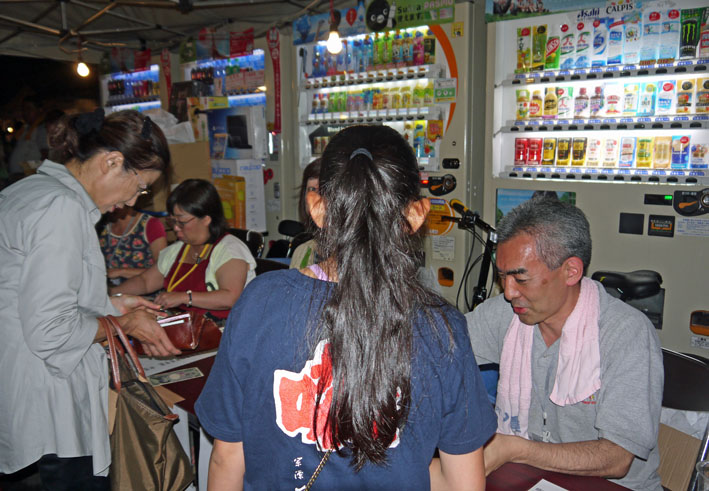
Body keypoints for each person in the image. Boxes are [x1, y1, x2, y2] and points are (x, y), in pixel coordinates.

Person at [195, 125, 496, 489]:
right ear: (417, 214)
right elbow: (463, 483)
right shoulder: (441, 324)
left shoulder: (260, 299)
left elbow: (228, 457)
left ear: (317, 208)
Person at [0, 109, 181, 489]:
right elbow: (51, 329)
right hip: (47, 410)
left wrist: (112, 304)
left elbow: (33, 298)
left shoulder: (29, 191)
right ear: (111, 162)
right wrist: (123, 324)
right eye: (140, 186)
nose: (133, 201)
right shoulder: (60, 208)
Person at [465, 196, 663, 490]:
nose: (508, 293)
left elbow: (617, 458)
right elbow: (439, 347)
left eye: (521, 278)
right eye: (502, 277)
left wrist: (516, 448)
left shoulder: (625, 333)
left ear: (571, 271)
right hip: (531, 479)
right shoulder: (505, 316)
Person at [111, 179, 256, 320]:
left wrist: (184, 297)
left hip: (224, 330)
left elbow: (230, 297)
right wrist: (110, 294)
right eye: (172, 221)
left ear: (206, 219)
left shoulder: (230, 249)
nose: (175, 228)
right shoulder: (179, 249)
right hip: (186, 326)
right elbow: (145, 281)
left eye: (181, 221)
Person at [98, 204, 168, 286]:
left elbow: (162, 270)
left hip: (143, 292)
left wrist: (121, 272)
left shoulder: (150, 224)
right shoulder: (102, 226)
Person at [289, 158, 320, 269]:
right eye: (312, 189)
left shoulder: (360, 253)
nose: (316, 197)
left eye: (324, 190)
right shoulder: (303, 252)